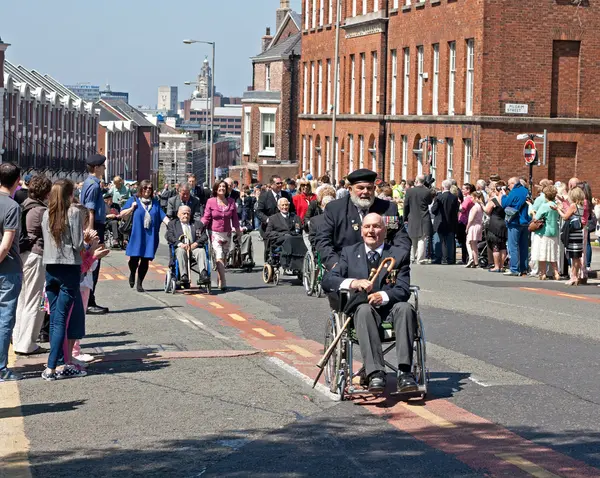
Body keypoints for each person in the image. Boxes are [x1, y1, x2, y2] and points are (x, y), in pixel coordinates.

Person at [322, 213, 416, 394]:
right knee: (364, 309)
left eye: (376, 226)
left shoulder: (398, 254)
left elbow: (403, 290)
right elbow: (328, 280)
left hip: (391, 311)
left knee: (405, 308)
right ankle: (376, 373)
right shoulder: (349, 253)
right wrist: (353, 283)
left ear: (385, 230)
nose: (371, 231)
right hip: (362, 315)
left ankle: (405, 372)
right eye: (367, 227)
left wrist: (383, 295)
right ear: (361, 231)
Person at [40, 179, 87, 381]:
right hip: (69, 267)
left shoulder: (46, 213)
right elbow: (78, 244)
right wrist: (88, 242)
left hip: (50, 266)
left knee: (54, 319)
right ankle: (52, 367)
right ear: (69, 195)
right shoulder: (74, 213)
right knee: (60, 318)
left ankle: (59, 362)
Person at [315, 168, 406, 271]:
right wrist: (335, 264)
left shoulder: (387, 209)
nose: (365, 192)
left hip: (380, 267)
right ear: (350, 189)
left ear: (374, 189)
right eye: (360, 188)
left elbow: (399, 237)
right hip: (345, 267)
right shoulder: (335, 209)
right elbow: (323, 240)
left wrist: (396, 260)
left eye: (369, 188)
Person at [13, 175, 52, 356]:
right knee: (33, 300)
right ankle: (27, 343)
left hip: (22, 254)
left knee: (22, 299)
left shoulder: (24, 205)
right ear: (46, 191)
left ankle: (17, 338)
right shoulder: (41, 211)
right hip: (36, 255)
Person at [121, 180, 169, 292]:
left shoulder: (155, 202)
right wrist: (131, 208)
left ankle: (139, 283)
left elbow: (163, 216)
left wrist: (172, 225)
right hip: (137, 235)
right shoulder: (133, 200)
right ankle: (132, 272)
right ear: (140, 189)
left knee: (145, 260)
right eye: (145, 187)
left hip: (150, 236)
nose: (147, 190)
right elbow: (122, 214)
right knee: (134, 260)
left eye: (150, 188)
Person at [0, 163, 24, 382]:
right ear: (18, 180)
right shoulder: (12, 207)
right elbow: (6, 245)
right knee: (5, 319)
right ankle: (1, 368)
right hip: (7, 269)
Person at [80, 154, 109, 315]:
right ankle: (89, 301)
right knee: (93, 264)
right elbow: (90, 210)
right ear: (96, 168)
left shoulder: (91, 183)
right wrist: (91, 234)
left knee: (93, 263)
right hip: (95, 225)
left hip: (95, 225)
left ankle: (89, 299)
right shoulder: (93, 185)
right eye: (103, 166)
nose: (104, 169)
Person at [201, 180, 242, 291]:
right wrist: (199, 226)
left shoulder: (231, 201)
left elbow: (235, 219)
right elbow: (206, 217)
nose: (222, 188)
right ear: (215, 189)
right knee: (218, 254)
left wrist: (238, 232)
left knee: (223, 257)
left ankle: (220, 279)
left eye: (224, 187)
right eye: (219, 187)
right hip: (215, 233)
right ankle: (223, 281)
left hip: (227, 233)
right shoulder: (211, 201)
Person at [166, 205, 209, 285]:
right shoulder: (173, 224)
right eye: (184, 213)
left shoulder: (198, 224)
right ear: (178, 214)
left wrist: (196, 243)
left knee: (201, 251)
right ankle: (183, 275)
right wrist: (180, 244)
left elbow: (204, 236)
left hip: (194, 248)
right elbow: (169, 236)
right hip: (181, 248)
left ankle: (203, 273)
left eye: (188, 214)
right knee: (180, 251)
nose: (186, 215)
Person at [256, 175, 295, 259]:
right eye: (278, 183)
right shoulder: (264, 196)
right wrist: (267, 220)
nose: (280, 185)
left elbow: (292, 210)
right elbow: (259, 212)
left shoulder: (287, 195)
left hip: (284, 228)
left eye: (281, 183)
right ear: (271, 185)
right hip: (269, 229)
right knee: (269, 252)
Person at [553, 187, 586, 286]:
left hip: (572, 233)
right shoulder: (581, 205)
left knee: (574, 257)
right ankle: (576, 276)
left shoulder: (573, 205)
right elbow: (571, 213)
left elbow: (565, 216)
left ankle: (574, 277)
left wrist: (558, 209)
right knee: (577, 256)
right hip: (578, 232)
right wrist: (563, 206)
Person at [501, 176, 530, 276]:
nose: (508, 187)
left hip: (514, 221)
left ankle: (514, 269)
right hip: (525, 221)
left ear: (513, 183)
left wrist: (504, 195)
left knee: (513, 246)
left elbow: (505, 204)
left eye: (509, 185)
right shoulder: (526, 191)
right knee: (523, 246)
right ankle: (524, 268)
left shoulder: (514, 192)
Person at [403, 175, 434, 265]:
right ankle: (420, 259)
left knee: (413, 238)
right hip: (424, 216)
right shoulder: (427, 191)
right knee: (422, 239)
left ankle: (412, 257)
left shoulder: (409, 191)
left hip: (412, 216)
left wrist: (405, 217)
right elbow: (429, 202)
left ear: (416, 181)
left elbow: (406, 205)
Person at [531, 185, 560, 281]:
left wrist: (533, 212)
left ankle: (543, 273)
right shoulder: (556, 205)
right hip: (554, 231)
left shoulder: (544, 206)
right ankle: (556, 273)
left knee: (542, 253)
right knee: (553, 254)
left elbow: (536, 218)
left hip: (544, 232)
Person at [431, 179, 459, 265]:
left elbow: (433, 210)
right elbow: (456, 210)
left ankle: (439, 258)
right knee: (450, 241)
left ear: (443, 187)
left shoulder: (439, 197)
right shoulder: (454, 197)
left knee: (439, 241)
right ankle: (450, 259)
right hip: (451, 222)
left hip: (440, 222)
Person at [484, 182, 508, 272]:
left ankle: (496, 266)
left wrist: (482, 204)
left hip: (494, 223)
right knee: (502, 246)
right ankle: (501, 266)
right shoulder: (506, 200)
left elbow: (487, 211)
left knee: (495, 245)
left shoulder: (493, 200)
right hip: (503, 222)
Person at [465, 191, 484, 268]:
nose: (471, 199)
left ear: (476, 198)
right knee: (474, 244)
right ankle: (475, 262)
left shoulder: (475, 207)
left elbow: (471, 219)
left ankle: (471, 257)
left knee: (469, 242)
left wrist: (467, 227)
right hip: (479, 225)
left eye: (472, 197)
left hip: (473, 226)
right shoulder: (480, 207)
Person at [457, 183, 474, 264]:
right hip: (467, 220)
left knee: (464, 241)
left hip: (464, 221)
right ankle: (466, 258)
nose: (462, 190)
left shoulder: (467, 198)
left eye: (464, 189)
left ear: (468, 190)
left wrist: (459, 203)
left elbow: (462, 209)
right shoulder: (471, 198)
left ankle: (464, 259)